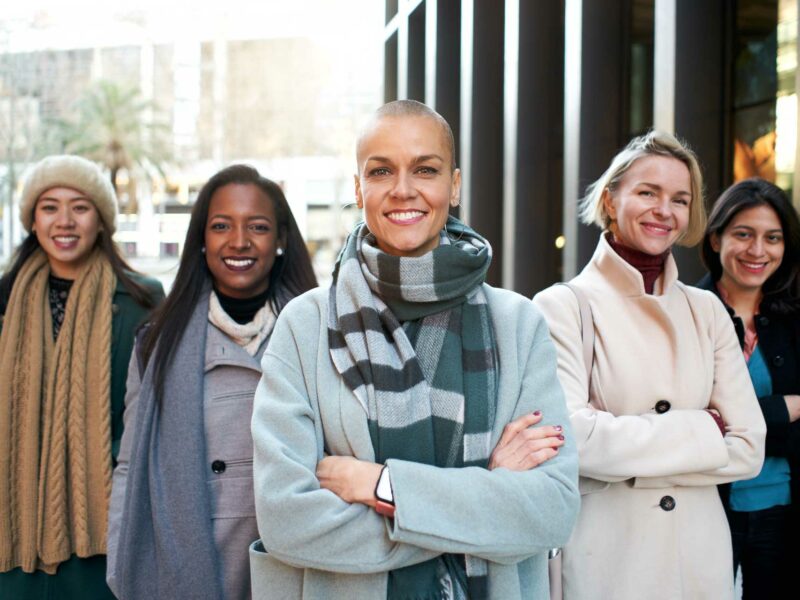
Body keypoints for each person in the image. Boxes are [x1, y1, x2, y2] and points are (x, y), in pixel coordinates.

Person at [248, 100, 579, 600]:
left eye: (425, 169)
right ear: (359, 188)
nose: (404, 189)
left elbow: (551, 510)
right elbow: (287, 521)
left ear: (455, 185)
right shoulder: (306, 326)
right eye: (381, 171)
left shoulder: (517, 324)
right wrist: (484, 493)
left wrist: (382, 487)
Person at [533, 131, 766, 599]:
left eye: (680, 199)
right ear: (610, 199)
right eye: (647, 192)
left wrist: (620, 448)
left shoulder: (705, 310)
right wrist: (704, 431)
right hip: (610, 562)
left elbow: (748, 447)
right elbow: (572, 441)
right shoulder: (562, 305)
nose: (665, 210)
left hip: (699, 563)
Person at [106, 164, 317, 599]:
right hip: (190, 558)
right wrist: (120, 565)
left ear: (280, 240)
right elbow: (130, 466)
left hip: (297, 556)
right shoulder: (157, 343)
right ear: (201, 240)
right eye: (221, 226)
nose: (239, 241)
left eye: (257, 227)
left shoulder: (319, 333)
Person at [0, 155, 164, 600]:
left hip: (103, 516)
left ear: (101, 222)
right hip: (14, 518)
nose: (65, 221)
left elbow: (153, 409)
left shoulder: (142, 297)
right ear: (32, 221)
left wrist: (110, 462)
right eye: (49, 207)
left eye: (81, 206)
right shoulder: (4, 301)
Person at [695, 177, 800, 599]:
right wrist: (785, 408)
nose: (758, 251)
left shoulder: (793, 318)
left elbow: (726, 424)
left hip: (784, 512)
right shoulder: (686, 312)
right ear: (717, 237)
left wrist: (743, 421)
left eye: (772, 238)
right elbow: (695, 422)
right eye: (744, 234)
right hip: (707, 512)